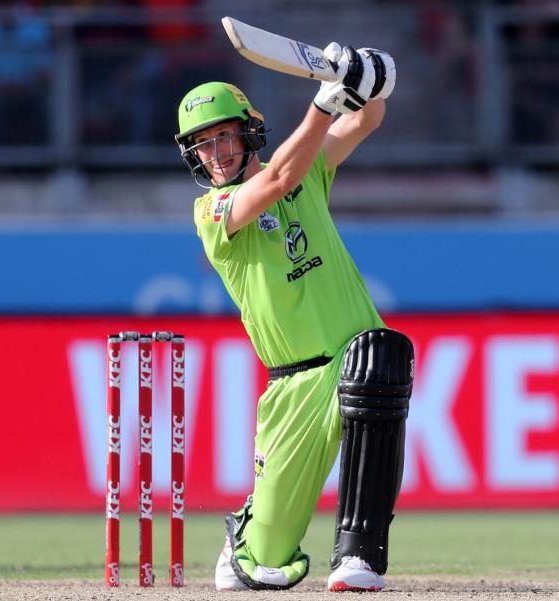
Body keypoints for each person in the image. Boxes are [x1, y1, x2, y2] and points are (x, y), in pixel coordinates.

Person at [175, 44, 414, 593]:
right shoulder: (211, 215)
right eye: (201, 144)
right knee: (258, 566)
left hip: (355, 352)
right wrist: (325, 100)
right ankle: (250, 536)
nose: (215, 153)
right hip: (292, 386)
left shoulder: (310, 169)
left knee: (380, 357)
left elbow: (367, 118)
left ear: (248, 133)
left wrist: (371, 75)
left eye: (224, 137)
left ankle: (359, 558)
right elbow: (279, 177)